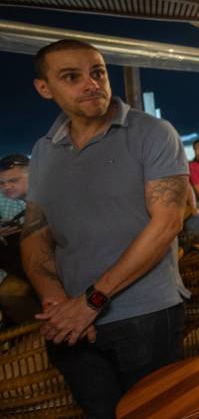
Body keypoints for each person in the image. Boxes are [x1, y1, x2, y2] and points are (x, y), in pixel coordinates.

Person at [21, 39, 189, 417]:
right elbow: (35, 231)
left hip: (144, 314)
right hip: (71, 324)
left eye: (97, 71)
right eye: (72, 76)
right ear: (44, 88)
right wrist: (55, 301)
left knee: (160, 412)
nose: (91, 83)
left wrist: (91, 301)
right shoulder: (45, 150)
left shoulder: (152, 133)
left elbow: (167, 224)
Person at [0, 154, 41, 325]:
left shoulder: (51, 195)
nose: (7, 186)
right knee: (9, 293)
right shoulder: (7, 202)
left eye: (13, 180)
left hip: (58, 263)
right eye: (2, 184)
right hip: (21, 268)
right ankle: (38, 338)